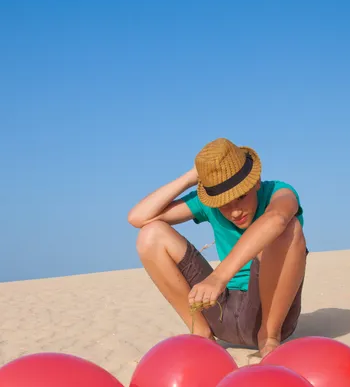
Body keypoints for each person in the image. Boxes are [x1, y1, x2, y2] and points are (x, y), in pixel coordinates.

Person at [127, 138, 308, 357]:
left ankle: (268, 339)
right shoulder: (207, 203)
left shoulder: (279, 193)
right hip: (220, 312)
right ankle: (201, 334)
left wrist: (219, 277)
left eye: (241, 197)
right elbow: (138, 217)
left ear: (256, 181)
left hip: (269, 318)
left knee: (289, 227)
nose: (235, 212)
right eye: (224, 204)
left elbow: (277, 218)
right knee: (150, 234)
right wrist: (191, 177)